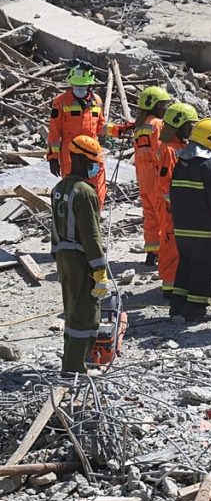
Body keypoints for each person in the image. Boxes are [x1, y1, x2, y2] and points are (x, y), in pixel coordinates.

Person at [51, 136, 110, 374]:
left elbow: (54, 228)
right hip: (80, 258)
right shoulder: (85, 192)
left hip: (63, 255)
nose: (95, 167)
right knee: (85, 313)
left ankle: (72, 363)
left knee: (72, 309)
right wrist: (100, 270)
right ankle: (75, 368)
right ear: (83, 160)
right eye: (93, 162)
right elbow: (91, 235)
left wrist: (57, 254)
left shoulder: (59, 188)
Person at [47, 59, 131, 210]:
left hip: (93, 154)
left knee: (97, 189)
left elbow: (100, 127)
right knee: (74, 191)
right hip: (71, 156)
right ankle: (74, 221)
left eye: (83, 86)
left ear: (90, 84)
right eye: (77, 86)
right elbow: (54, 132)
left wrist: (120, 130)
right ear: (71, 84)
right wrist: (53, 158)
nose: (80, 89)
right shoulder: (61, 101)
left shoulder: (96, 101)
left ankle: (95, 217)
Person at [169, 119, 211, 321]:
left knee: (186, 267)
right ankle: (196, 310)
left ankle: (177, 307)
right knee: (205, 270)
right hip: (206, 232)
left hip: (182, 230)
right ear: (210, 141)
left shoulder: (180, 165)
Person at [156, 103, 199, 298]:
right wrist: (175, 204)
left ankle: (178, 283)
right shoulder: (169, 150)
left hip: (179, 205)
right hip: (172, 208)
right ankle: (169, 286)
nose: (192, 128)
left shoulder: (180, 146)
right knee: (170, 245)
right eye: (190, 125)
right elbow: (164, 182)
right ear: (179, 125)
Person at [132, 86, 172, 265]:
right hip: (156, 178)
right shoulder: (157, 124)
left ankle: (151, 253)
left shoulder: (140, 127)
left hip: (144, 178)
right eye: (163, 105)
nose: (166, 108)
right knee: (164, 217)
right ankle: (166, 253)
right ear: (154, 106)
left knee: (150, 217)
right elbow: (160, 151)